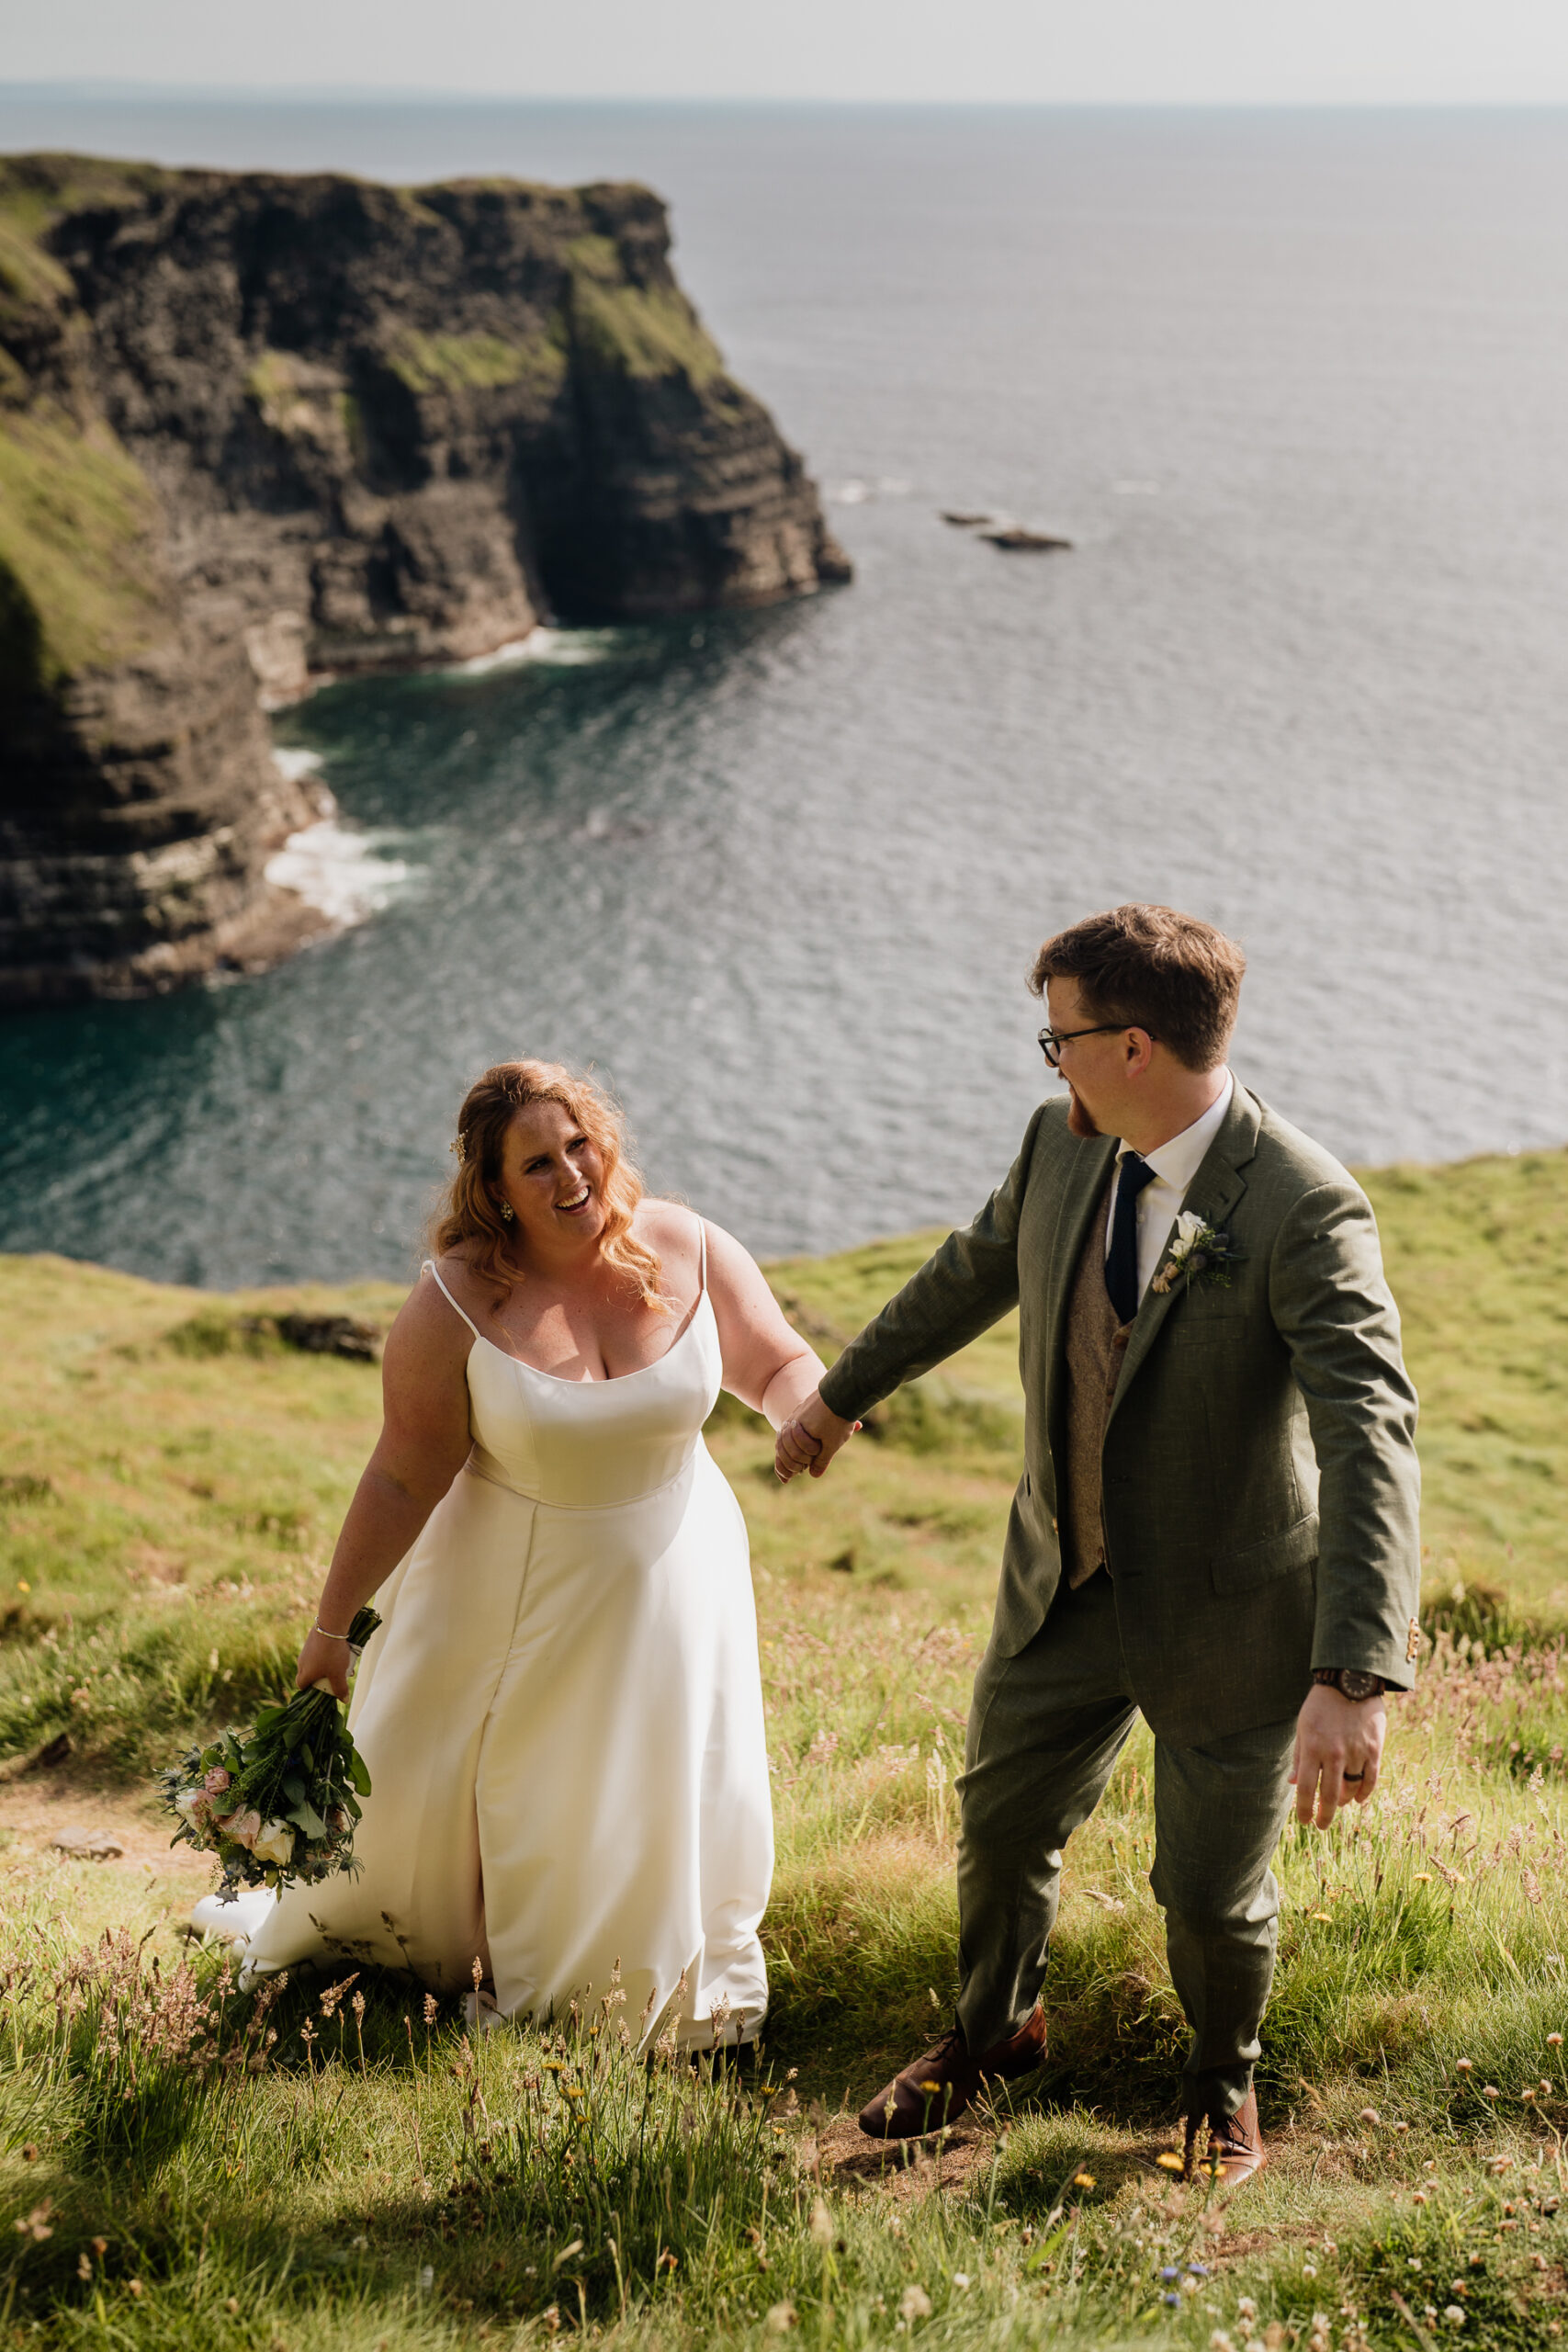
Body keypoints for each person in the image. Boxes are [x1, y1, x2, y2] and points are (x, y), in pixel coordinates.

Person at [775, 905, 1421, 2180]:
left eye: (1056, 1037)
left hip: (1229, 1610)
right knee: (1000, 1826)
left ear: (1131, 1047)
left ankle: (1215, 2087)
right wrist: (839, 1395)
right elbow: (969, 1270)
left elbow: (1368, 1433)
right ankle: (993, 2030)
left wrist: (1351, 1674)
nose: (1045, 1061)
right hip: (1058, 1581)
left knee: (1206, 1893)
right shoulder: (1058, 1146)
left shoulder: (1300, 1203)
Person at [195, 1057, 824, 2052]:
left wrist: (806, 1416)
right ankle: (551, 1986)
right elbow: (401, 1475)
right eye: (539, 1163)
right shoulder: (452, 1302)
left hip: (684, 1568)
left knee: (679, 1773)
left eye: (581, 1144)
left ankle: (670, 1971)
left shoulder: (692, 1244)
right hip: (528, 1593)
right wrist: (330, 1633)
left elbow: (778, 1361)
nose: (572, 1174)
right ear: (494, 1189)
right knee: (549, 1793)